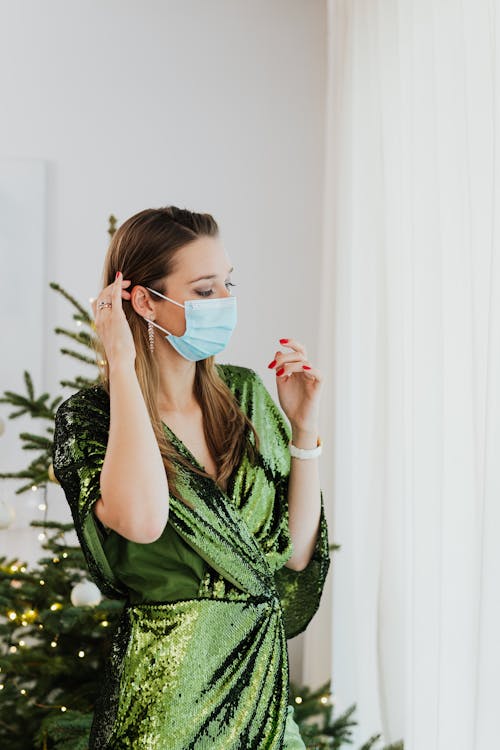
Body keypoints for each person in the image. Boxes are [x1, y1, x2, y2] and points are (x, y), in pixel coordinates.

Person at [51, 205, 330, 749]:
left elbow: (294, 554)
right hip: (164, 708)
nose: (224, 303)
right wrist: (122, 364)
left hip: (264, 699)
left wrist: (304, 430)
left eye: (229, 284)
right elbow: (144, 520)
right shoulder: (90, 417)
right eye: (204, 291)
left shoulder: (246, 396)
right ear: (144, 299)